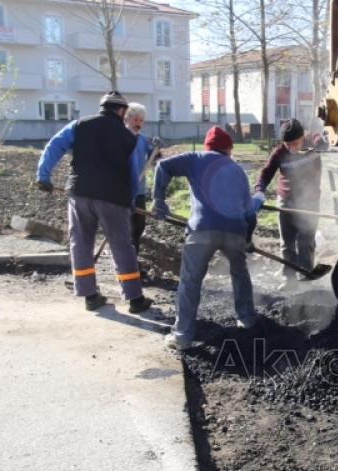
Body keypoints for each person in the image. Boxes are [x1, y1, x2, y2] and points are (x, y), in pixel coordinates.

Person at [36, 91, 153, 314]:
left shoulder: (79, 125)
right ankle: (135, 299)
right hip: (113, 197)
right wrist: (130, 199)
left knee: (80, 243)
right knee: (122, 246)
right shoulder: (129, 137)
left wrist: (43, 176)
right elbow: (133, 172)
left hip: (79, 193)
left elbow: (55, 145)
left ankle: (90, 296)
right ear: (122, 111)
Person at [153, 126, 257, 350]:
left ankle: (182, 337)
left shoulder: (196, 158)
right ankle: (247, 320)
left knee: (190, 281)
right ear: (228, 149)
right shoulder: (237, 170)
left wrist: (159, 200)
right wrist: (247, 239)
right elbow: (250, 214)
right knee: (240, 273)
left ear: (208, 147)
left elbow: (163, 165)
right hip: (235, 230)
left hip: (202, 229)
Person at [254, 118, 321, 290]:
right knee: (287, 242)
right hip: (286, 201)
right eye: (288, 144)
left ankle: (306, 277)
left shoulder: (312, 144)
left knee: (305, 241)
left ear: (303, 137)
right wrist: (260, 191)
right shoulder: (280, 152)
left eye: (295, 143)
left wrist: (321, 141)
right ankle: (289, 278)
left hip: (309, 202)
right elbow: (266, 173)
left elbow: (318, 138)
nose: (291, 148)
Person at [125, 102, 160, 259]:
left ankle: (133, 261)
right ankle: (126, 264)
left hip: (139, 190)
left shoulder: (143, 140)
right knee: (126, 229)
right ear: (127, 119)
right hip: (124, 190)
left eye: (141, 121)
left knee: (139, 226)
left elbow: (154, 156)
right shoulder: (120, 138)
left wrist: (157, 149)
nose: (138, 124)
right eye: (136, 120)